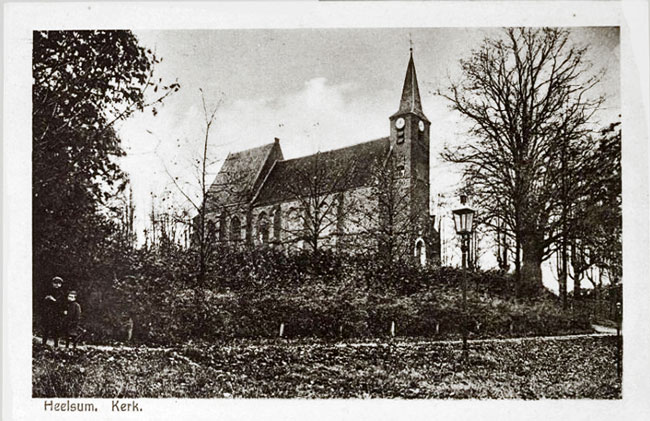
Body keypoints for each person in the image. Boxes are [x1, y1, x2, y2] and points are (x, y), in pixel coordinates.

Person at [42, 276, 65, 347]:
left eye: (59, 283)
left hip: (56, 313)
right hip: (48, 312)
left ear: (61, 284)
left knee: (55, 329)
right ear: (52, 283)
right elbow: (43, 301)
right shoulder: (48, 290)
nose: (57, 285)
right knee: (46, 328)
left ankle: (56, 344)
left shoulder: (61, 293)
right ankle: (44, 343)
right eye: (55, 283)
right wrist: (46, 299)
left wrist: (53, 300)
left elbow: (61, 303)